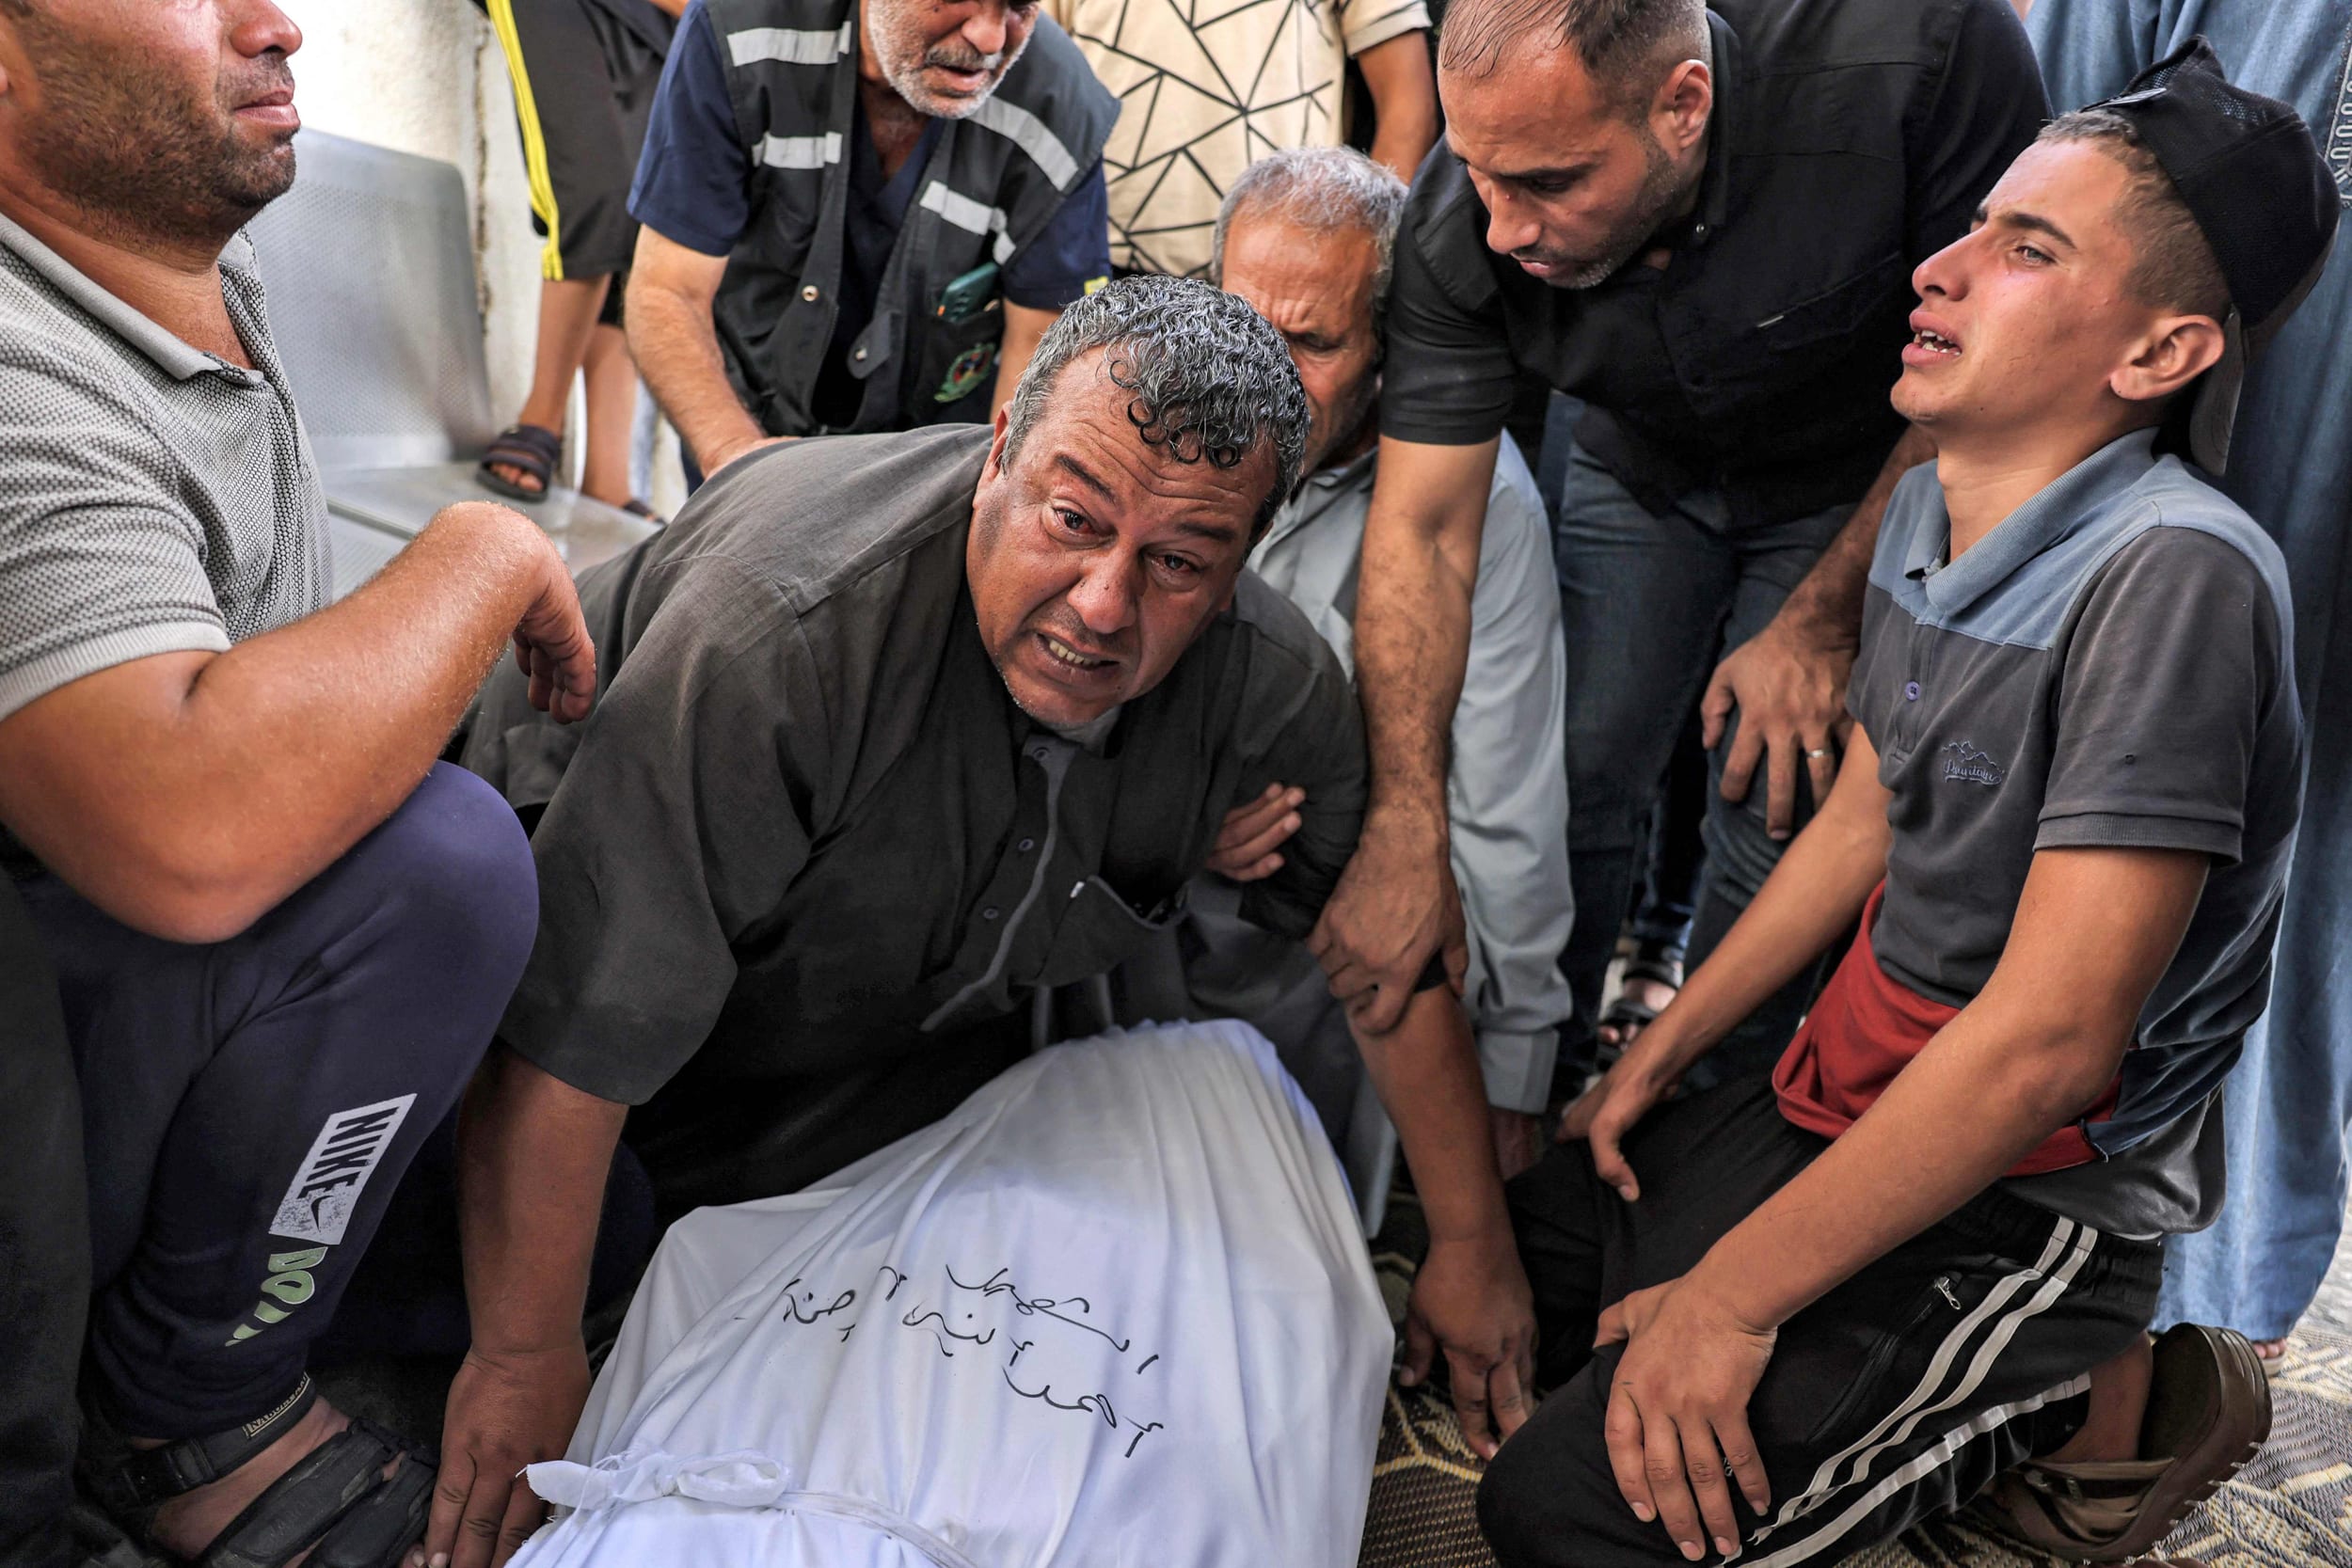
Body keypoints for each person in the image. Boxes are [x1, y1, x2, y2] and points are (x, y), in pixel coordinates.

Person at [437, 277, 1538, 1568]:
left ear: (1245, 561)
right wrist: (522, 1357)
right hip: (535, 1038)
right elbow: (574, 1039)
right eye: (1074, 520)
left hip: (870, 1056)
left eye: (1179, 562)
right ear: (1001, 445)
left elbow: (1383, 960)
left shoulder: (1274, 685)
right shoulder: (785, 633)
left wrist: (1469, 1240)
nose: (1103, 604)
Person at [1473, 45, 2335, 1568]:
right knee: (1537, 1239)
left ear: (2158, 352)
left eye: (2026, 247)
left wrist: (1732, 1301)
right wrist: (1654, 1055)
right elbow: (1871, 808)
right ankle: (1945, 1400)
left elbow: (2050, 1048)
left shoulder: (2176, 577)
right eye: (1976, 225)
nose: (1936, 266)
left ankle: (2067, 1406)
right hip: (1860, 1080)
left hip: (2028, 1196)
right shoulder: (1939, 492)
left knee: (1562, 1513)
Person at [0, 2, 601, 1564]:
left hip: (115, 1043)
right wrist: (481, 547)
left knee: (602, 1219)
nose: (275, 25)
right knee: (448, 867)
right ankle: (185, 1408)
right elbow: (189, 828)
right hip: (32, 1112)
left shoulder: (185, 283)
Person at [1327, 0, 2053, 1087]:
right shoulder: (1459, 220)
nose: (1502, 230)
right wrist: (1402, 818)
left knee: (1775, 805)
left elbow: (2000, 374)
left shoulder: (1920, 48)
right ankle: (1536, 1087)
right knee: (1566, 770)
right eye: (1480, 170)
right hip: (1640, 462)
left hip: (1867, 478)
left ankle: (1692, 1118)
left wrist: (1819, 624)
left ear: (1683, 104)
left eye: (1549, 183)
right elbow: (1423, 531)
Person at [2028, 0, 2352, 1369]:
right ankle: (2106, 1297)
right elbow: (2055, 153)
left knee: (2315, 876)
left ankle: (2218, 1291)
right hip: (2198, 464)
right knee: (2141, 843)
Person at [1151, 147, 1570, 1181]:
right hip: (1136, 923)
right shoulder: (1143, 425)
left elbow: (1504, 808)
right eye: (1244, 323)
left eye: (1312, 341)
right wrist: (1164, 818)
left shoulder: (1484, 502)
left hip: (1333, 967)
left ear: (1392, 346)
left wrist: (1509, 1086)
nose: (1261, 374)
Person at [623, 0, 1118, 482]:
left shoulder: (1061, 105)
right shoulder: (741, 30)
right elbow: (667, 291)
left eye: (1019, 7)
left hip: (935, 464)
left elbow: (1039, 345)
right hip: (743, 407)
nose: (990, 37)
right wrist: (734, 454)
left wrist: (973, 515)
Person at [1043, 0, 1437, 277]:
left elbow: (1407, 101)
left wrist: (1368, 261)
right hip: (1098, 261)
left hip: (1290, 269)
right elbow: (1032, 72)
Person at [473, 0, 680, 516]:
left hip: (656, 19)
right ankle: (542, 416)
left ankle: (607, 476)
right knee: (592, 197)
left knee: (640, 219)